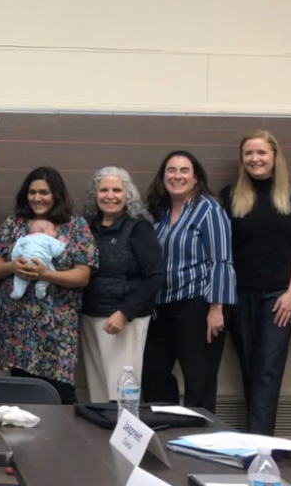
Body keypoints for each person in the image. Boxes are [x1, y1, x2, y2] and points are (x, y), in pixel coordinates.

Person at [218, 130, 291, 436]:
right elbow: (221, 251)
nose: (255, 159)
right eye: (248, 153)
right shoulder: (230, 195)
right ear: (242, 159)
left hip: (280, 295)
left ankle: (260, 449)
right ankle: (257, 440)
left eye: (261, 152)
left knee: (268, 371)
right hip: (239, 295)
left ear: (275, 156)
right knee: (250, 368)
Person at [0, 167, 97, 405]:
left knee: (61, 395)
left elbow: (82, 275)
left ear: (56, 195)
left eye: (44, 192)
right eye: (32, 192)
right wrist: (13, 268)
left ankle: (64, 441)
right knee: (23, 396)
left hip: (57, 328)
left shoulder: (76, 226)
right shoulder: (14, 224)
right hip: (16, 325)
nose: (37, 198)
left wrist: (46, 274)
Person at [142, 150, 235, 415]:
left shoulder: (209, 209)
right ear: (163, 177)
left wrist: (217, 310)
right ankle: (168, 432)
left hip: (199, 307)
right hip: (162, 308)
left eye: (184, 171)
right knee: (153, 375)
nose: (177, 176)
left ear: (196, 179)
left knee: (199, 382)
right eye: (171, 170)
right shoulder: (159, 212)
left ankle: (199, 447)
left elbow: (222, 260)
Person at [79, 167, 164, 404]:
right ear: (94, 195)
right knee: (97, 394)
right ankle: (101, 441)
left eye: (117, 190)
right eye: (103, 190)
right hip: (91, 315)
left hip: (124, 319)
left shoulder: (139, 228)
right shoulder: (87, 227)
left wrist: (124, 312)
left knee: (122, 395)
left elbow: (155, 276)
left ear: (128, 195)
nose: (110, 195)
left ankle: (123, 442)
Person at [7, 219, 66, 300]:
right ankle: (40, 287)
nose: (57, 232)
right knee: (51, 272)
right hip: (42, 262)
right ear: (43, 231)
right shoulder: (48, 239)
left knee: (19, 276)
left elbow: (16, 250)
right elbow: (56, 252)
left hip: (25, 260)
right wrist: (61, 243)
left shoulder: (25, 238)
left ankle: (18, 291)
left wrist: (15, 260)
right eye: (54, 230)